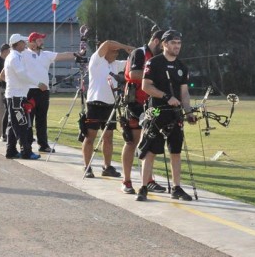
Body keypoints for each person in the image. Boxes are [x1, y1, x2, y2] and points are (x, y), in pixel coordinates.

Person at [136, 30, 196, 202]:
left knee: (175, 152)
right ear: (164, 44)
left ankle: (176, 188)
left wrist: (189, 112)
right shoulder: (153, 63)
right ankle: (143, 187)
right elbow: (146, 86)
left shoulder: (182, 67)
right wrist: (166, 96)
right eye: (173, 43)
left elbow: (184, 94)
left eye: (179, 43)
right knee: (151, 151)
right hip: (156, 112)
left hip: (175, 116)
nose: (177, 46)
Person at [120, 29, 166, 194]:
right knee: (132, 141)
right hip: (134, 103)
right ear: (156, 41)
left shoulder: (159, 58)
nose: (165, 47)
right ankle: (126, 181)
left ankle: (148, 180)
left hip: (151, 104)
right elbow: (133, 73)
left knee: (149, 140)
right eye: (164, 43)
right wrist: (154, 75)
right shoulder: (139, 53)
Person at [82, 39, 135, 178]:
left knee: (108, 137)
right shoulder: (97, 60)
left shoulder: (115, 64)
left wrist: (135, 52)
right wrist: (125, 46)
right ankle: (87, 167)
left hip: (110, 105)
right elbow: (107, 43)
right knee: (90, 137)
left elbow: (133, 63)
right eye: (114, 51)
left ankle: (107, 166)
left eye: (118, 52)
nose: (116, 54)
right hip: (95, 104)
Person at [24, 32, 76, 152]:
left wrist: (77, 54)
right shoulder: (24, 54)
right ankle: (27, 144)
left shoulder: (46, 54)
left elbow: (62, 55)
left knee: (42, 119)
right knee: (28, 119)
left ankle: (43, 145)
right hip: (29, 91)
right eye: (39, 40)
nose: (42, 42)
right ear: (32, 42)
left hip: (43, 92)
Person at [2, 34, 40, 160]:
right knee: (21, 124)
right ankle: (26, 151)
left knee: (13, 124)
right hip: (16, 97)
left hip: (16, 95)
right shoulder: (14, 57)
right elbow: (22, 75)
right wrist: (38, 83)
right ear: (18, 44)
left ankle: (11, 150)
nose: (25, 44)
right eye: (23, 42)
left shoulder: (15, 56)